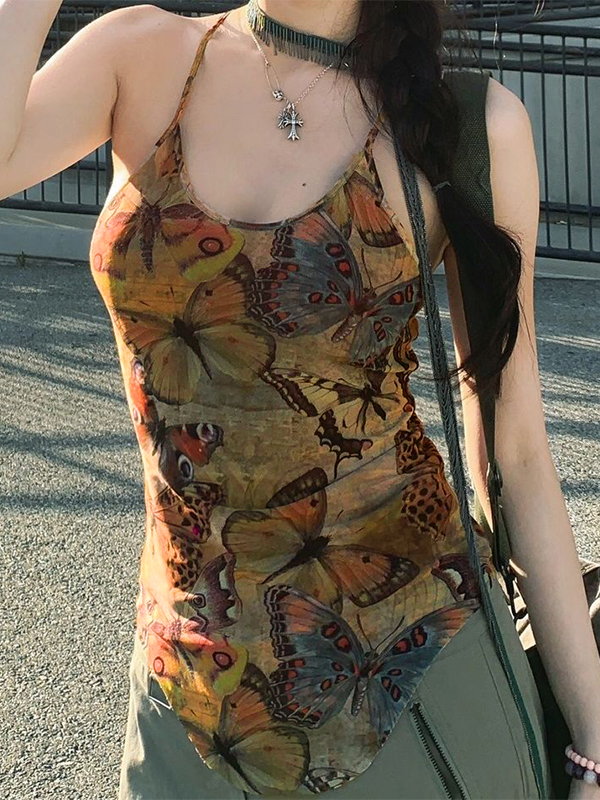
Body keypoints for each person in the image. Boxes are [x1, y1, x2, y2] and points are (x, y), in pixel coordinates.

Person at [1, 1, 599, 798]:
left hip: (420, 679)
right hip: (191, 693)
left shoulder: (466, 123)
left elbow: (516, 453)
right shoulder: (138, 56)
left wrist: (593, 740)